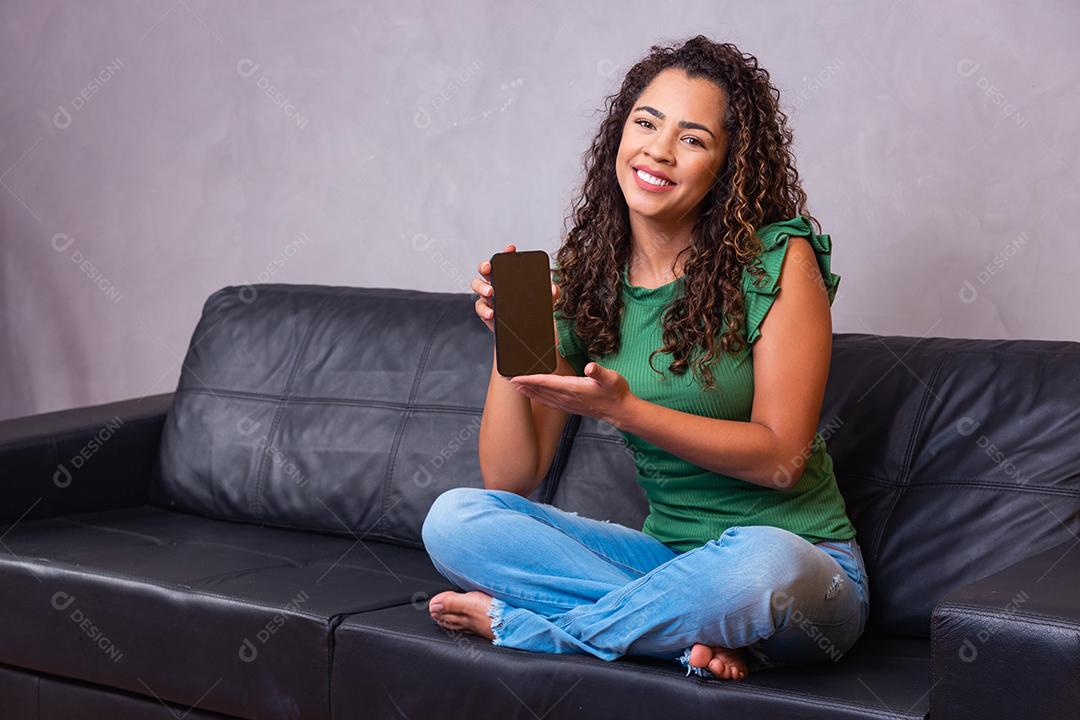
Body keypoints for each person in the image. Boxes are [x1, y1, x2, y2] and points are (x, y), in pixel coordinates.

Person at [421, 34, 869, 681]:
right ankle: (685, 636)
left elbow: (781, 461)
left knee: (759, 564)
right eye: (647, 123)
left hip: (802, 569)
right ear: (619, 135)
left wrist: (627, 410)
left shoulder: (778, 260)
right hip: (665, 562)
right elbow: (511, 476)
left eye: (692, 137)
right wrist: (513, 344)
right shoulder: (589, 282)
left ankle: (540, 631)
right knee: (456, 519)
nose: (658, 149)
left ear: (728, 165)